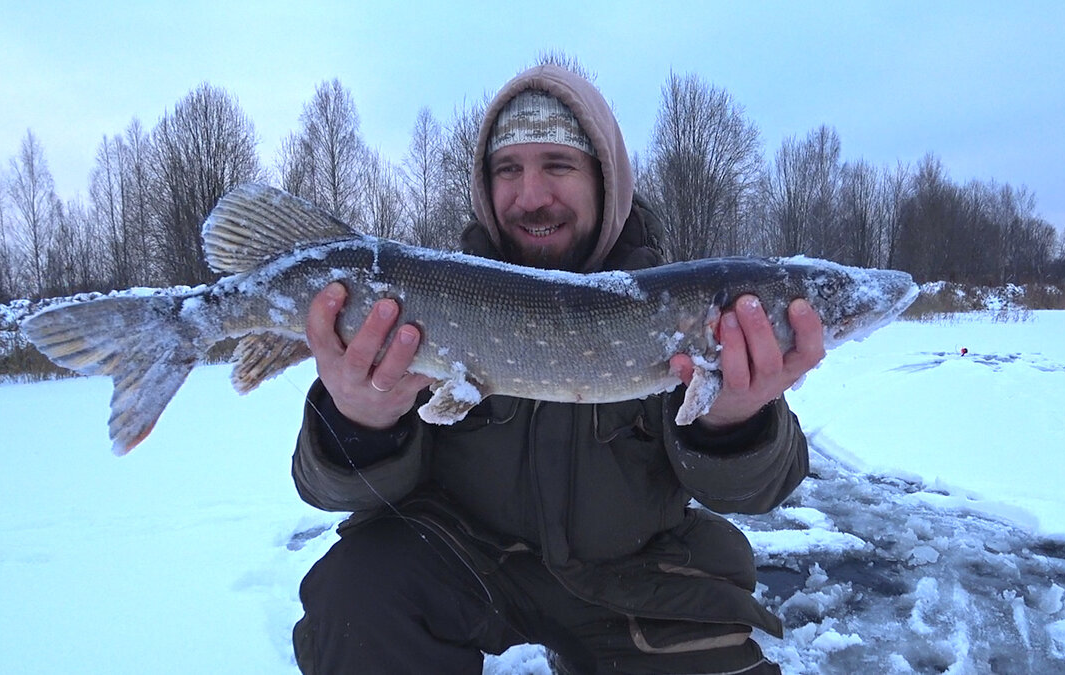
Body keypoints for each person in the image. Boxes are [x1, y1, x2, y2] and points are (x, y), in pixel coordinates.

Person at [290, 64, 825, 675]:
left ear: (607, 181)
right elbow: (333, 492)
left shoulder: (682, 309)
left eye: (559, 166)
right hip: (467, 567)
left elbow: (753, 492)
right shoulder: (423, 304)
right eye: (507, 169)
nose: (531, 196)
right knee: (356, 598)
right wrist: (361, 421)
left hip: (633, 580)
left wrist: (732, 422)